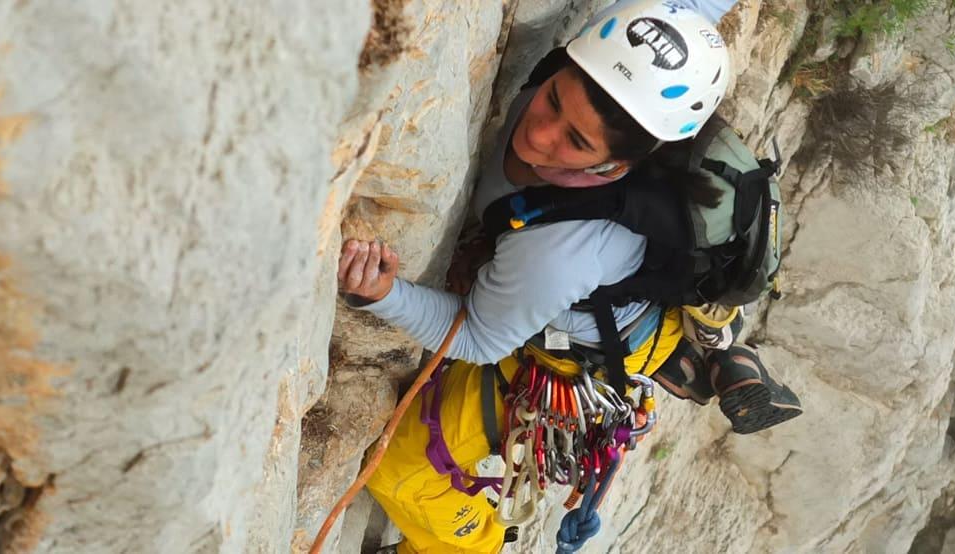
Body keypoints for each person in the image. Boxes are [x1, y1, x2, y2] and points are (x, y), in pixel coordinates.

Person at [337, 1, 798, 551]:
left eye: (575, 142)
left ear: (615, 167)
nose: (539, 134)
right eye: (553, 99)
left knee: (401, 472)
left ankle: (477, 545)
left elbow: (479, 339)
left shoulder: (555, 251)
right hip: (619, 298)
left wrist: (384, 294)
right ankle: (714, 349)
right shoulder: (608, 56)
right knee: (638, 307)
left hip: (576, 351)